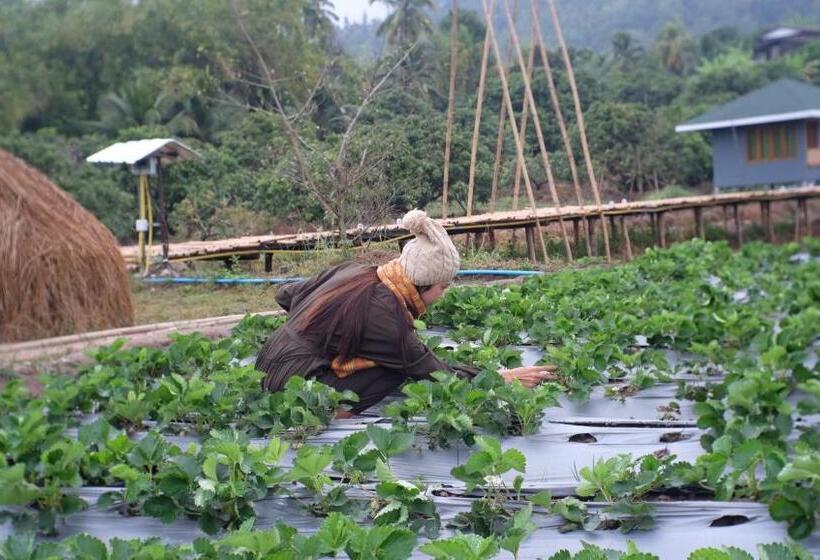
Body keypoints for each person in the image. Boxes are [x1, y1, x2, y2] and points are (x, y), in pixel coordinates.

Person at [255, 209, 558, 416]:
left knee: (370, 362)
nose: (444, 294)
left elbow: (286, 295)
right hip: (291, 387)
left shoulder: (356, 271)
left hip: (267, 361)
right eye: (443, 287)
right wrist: (500, 378)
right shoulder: (386, 317)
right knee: (392, 372)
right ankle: (333, 413)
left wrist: (323, 333)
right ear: (422, 286)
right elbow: (433, 371)